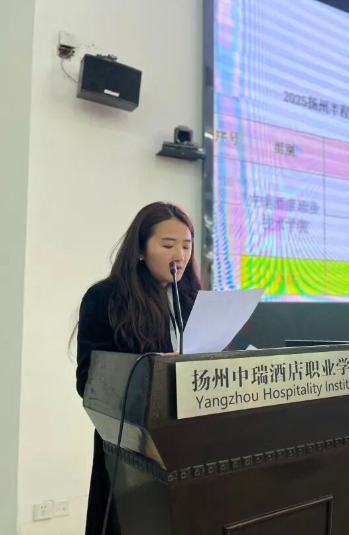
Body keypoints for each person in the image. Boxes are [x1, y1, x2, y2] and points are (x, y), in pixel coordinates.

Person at [75, 202, 202, 535]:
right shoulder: (106, 297)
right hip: (130, 445)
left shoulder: (192, 298)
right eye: (168, 245)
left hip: (189, 439)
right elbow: (89, 381)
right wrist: (156, 367)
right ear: (141, 250)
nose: (180, 255)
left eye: (187, 246)